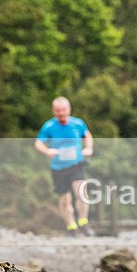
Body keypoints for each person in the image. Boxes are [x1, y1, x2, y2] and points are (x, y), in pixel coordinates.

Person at [35, 97, 95, 237]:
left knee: (81, 192)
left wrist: (89, 148)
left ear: (69, 110)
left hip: (76, 164)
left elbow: (87, 136)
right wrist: (47, 151)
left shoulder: (78, 123)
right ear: (53, 111)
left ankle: (83, 222)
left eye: (63, 110)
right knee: (64, 199)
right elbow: (38, 143)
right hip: (58, 167)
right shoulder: (49, 126)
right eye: (58, 111)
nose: (61, 114)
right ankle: (71, 226)